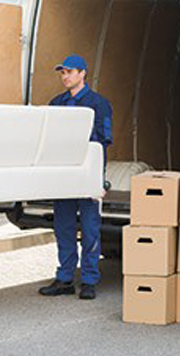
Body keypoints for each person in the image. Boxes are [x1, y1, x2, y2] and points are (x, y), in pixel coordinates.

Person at [39, 54, 113, 300]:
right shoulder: (56, 103)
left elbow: (102, 143)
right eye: (63, 73)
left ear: (83, 73)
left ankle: (90, 280)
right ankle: (65, 278)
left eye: (70, 72)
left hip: (87, 174)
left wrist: (98, 180)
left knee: (90, 228)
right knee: (64, 228)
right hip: (63, 175)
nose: (65, 77)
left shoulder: (98, 104)